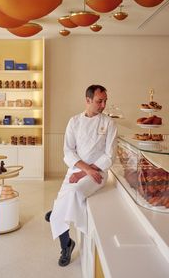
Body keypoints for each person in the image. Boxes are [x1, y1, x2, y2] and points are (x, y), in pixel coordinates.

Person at [45, 84, 117, 267]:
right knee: (64, 202)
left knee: (74, 192)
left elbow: (109, 156)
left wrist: (89, 172)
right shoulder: (74, 122)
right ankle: (66, 245)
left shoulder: (109, 123)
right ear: (88, 100)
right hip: (76, 170)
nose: (103, 105)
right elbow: (68, 152)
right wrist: (84, 170)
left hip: (98, 174)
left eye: (105, 101)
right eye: (99, 101)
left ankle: (59, 211)